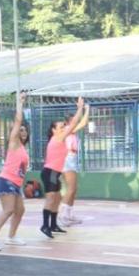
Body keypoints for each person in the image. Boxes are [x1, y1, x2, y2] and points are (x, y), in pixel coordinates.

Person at [0, 94, 30, 249]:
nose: (23, 132)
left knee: (20, 210)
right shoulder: (14, 142)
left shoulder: (23, 148)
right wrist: (20, 103)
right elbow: (18, 121)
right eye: (21, 130)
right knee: (9, 210)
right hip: (7, 180)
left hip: (16, 183)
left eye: (25, 130)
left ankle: (11, 236)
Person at [40, 98, 85, 238]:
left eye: (63, 126)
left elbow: (72, 126)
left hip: (55, 173)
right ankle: (45, 225)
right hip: (50, 173)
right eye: (60, 127)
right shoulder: (58, 138)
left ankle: (53, 225)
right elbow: (73, 125)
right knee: (51, 199)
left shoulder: (59, 138)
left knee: (57, 198)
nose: (63, 128)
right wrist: (80, 109)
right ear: (54, 130)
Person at [58, 104, 90, 227]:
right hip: (68, 158)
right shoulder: (67, 129)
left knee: (73, 188)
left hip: (72, 158)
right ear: (68, 121)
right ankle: (63, 215)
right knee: (71, 188)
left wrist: (85, 110)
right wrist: (84, 109)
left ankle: (69, 214)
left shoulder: (70, 130)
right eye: (73, 119)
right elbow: (83, 123)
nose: (75, 121)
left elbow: (83, 122)